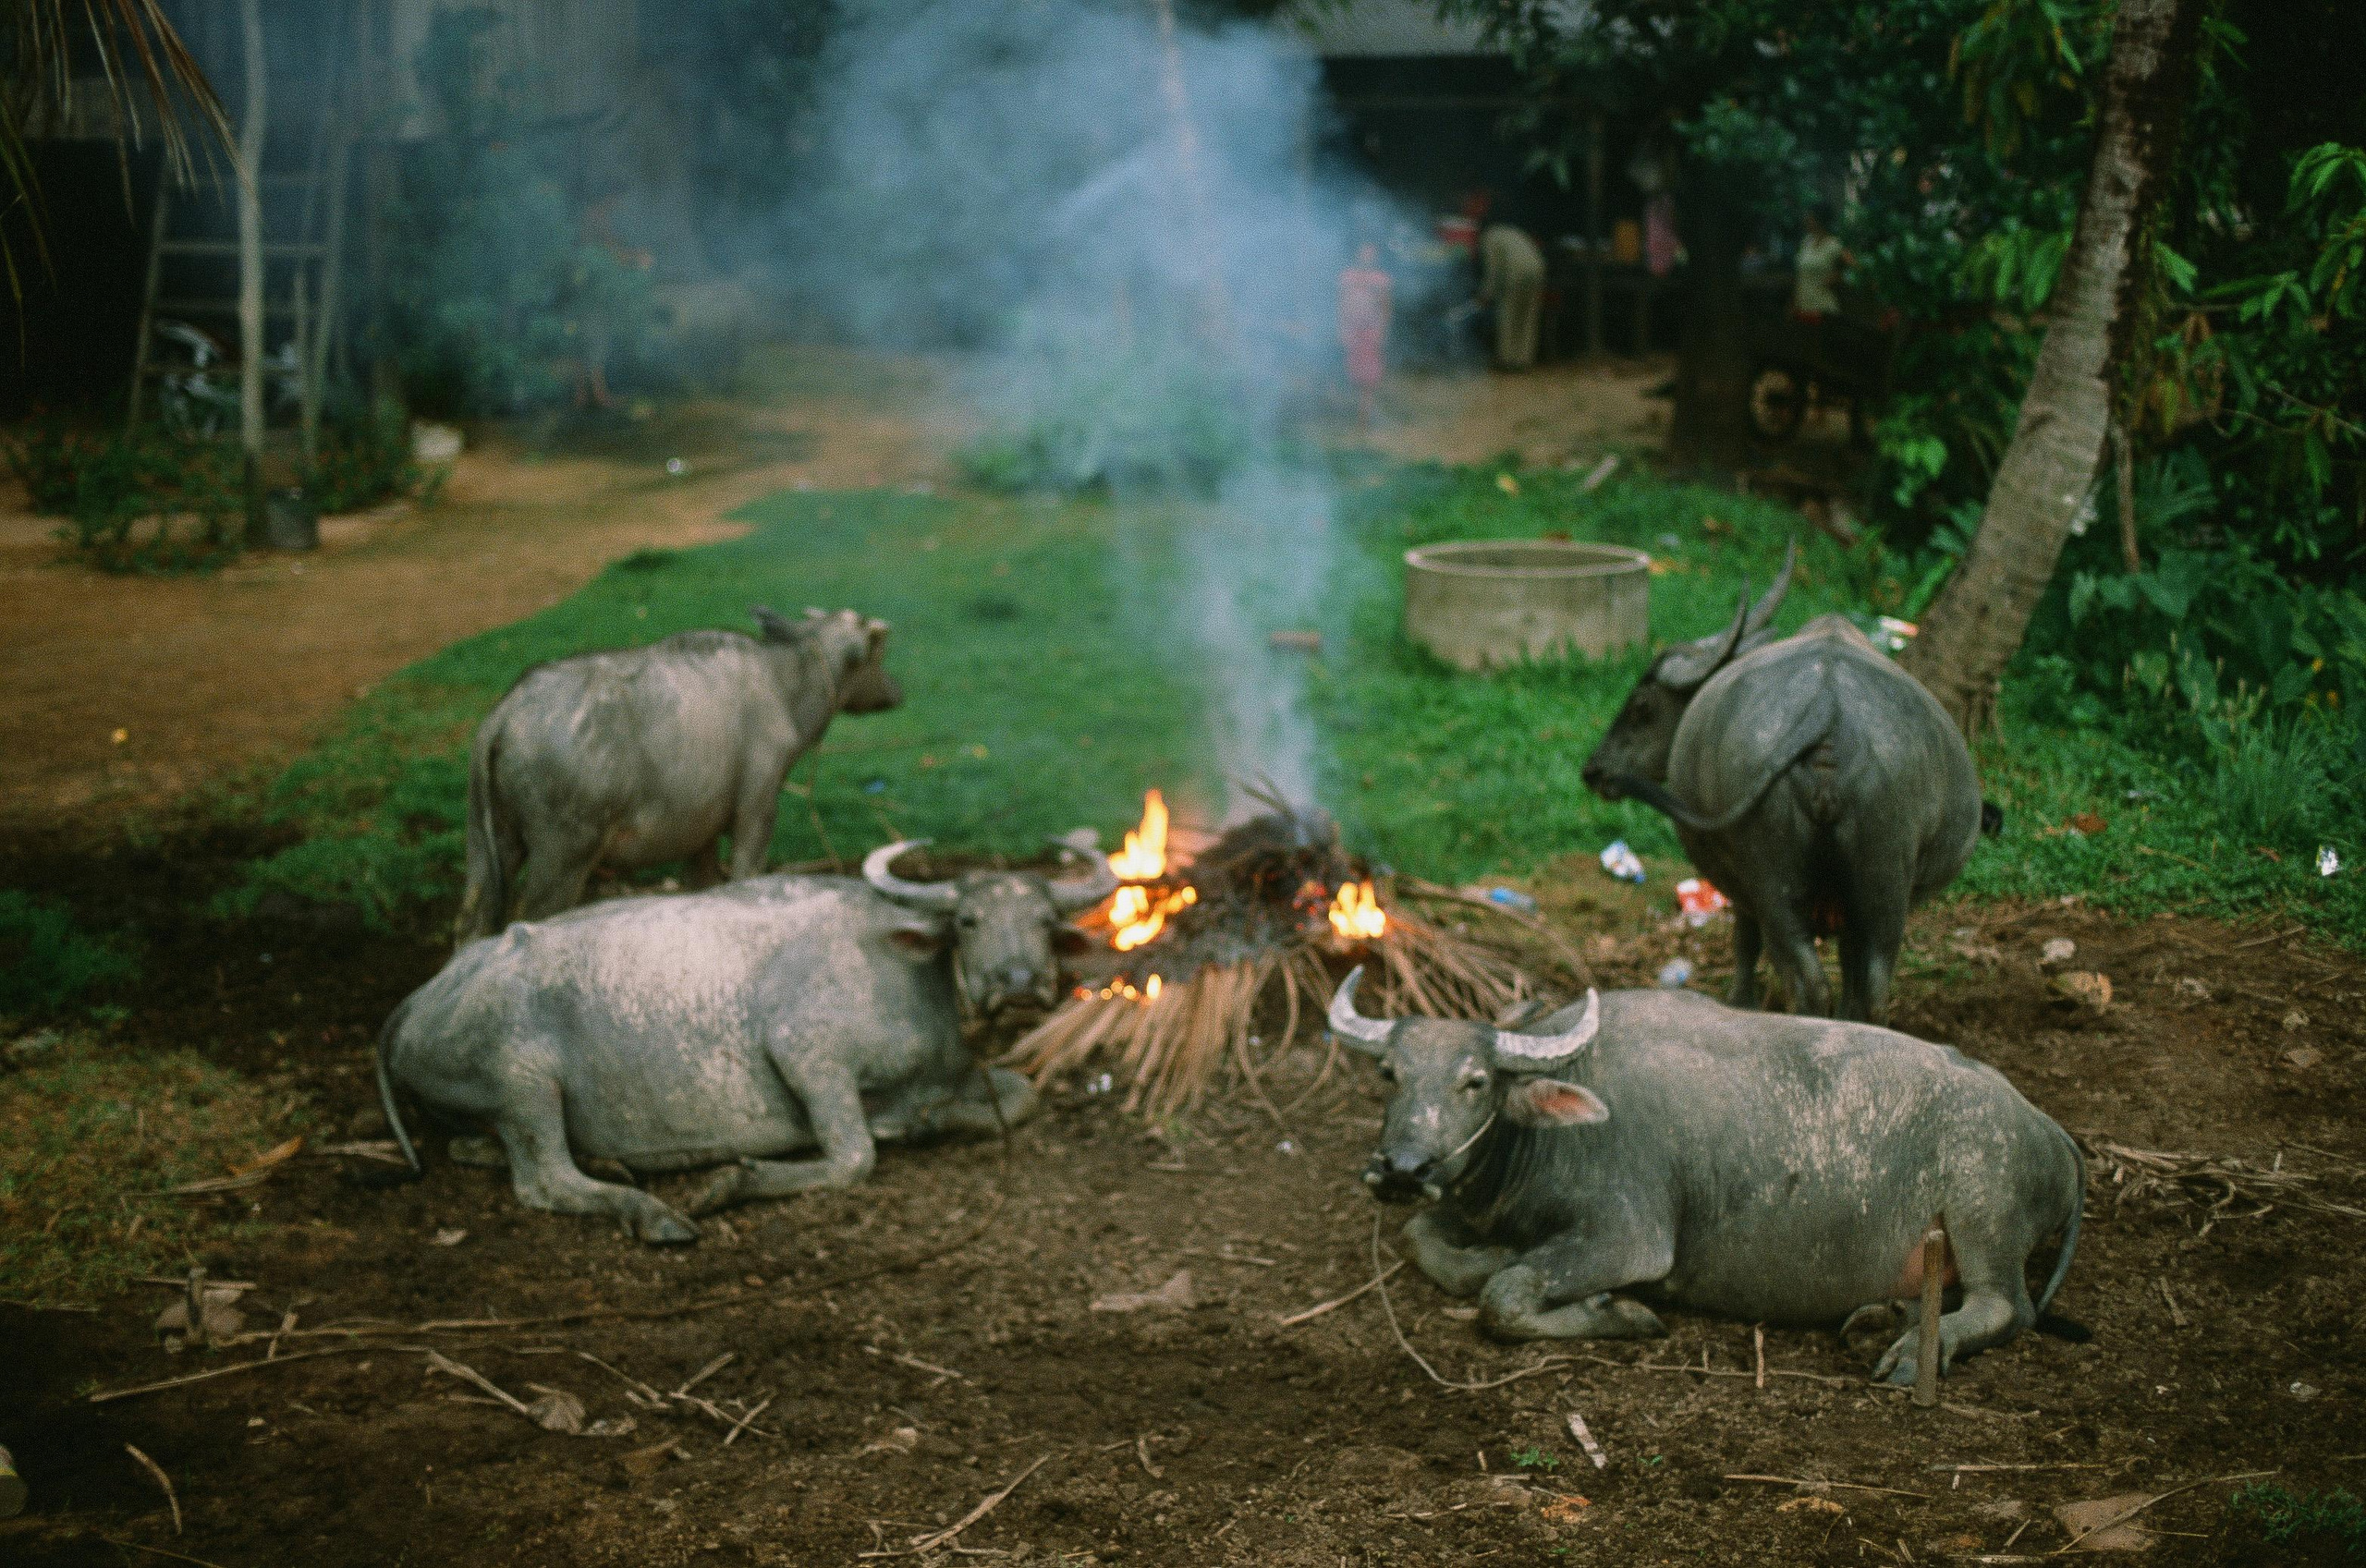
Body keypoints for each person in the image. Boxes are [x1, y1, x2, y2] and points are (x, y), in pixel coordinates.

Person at [1336, 241, 1393, 426]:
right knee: (1351, 372)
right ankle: (1352, 412)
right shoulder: (1346, 276)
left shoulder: (1381, 279)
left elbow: (1386, 308)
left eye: (1371, 254)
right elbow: (1340, 305)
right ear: (1357, 254)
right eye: (1364, 253)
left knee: (1369, 376)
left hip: (1370, 331)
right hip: (1351, 330)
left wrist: (1382, 332)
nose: (1367, 257)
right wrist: (1341, 328)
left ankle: (1365, 415)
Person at [1476, 222, 1545, 371]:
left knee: (1508, 315)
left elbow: (1493, 271)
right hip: (1537, 267)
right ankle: (1524, 361)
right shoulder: (1511, 231)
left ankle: (1506, 361)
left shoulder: (1488, 239)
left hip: (1516, 271)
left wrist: (1485, 295)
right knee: (1528, 317)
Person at [1792, 204, 1852, 322]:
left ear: (1819, 220)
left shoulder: (1834, 244)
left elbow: (1855, 268)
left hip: (1823, 310)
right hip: (1803, 308)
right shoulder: (1806, 242)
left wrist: (1838, 276)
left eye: (1809, 217)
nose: (1805, 219)